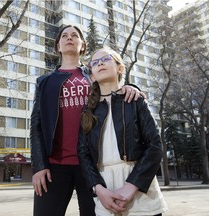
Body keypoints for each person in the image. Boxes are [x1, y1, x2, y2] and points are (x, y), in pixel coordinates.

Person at [30, 25, 144, 216]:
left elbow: (115, 85)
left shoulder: (94, 76)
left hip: (92, 164)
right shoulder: (45, 82)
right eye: (64, 36)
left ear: (82, 45)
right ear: (58, 46)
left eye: (75, 35)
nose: (69, 38)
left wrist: (130, 86)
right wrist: (38, 166)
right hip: (54, 165)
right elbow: (36, 126)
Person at [77, 47, 168, 216]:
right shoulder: (87, 111)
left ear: (120, 68)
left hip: (140, 187)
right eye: (95, 63)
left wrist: (131, 185)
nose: (100, 63)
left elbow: (154, 145)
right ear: (92, 76)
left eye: (106, 59)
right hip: (104, 188)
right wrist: (98, 189)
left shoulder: (135, 100)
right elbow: (83, 154)